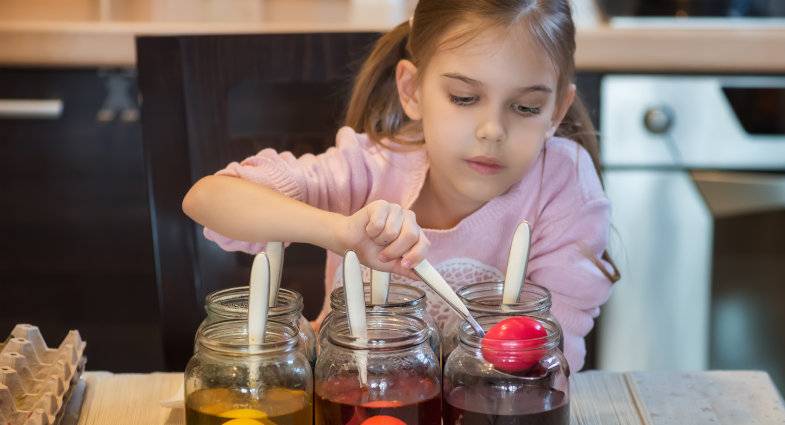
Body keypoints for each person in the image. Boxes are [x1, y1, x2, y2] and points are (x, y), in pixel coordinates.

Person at [182, 0, 619, 372]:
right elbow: (209, 198)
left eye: (526, 107)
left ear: (556, 112)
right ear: (412, 90)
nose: (492, 130)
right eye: (464, 98)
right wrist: (339, 232)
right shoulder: (370, 169)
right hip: (349, 410)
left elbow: (550, 357)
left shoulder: (563, 186)